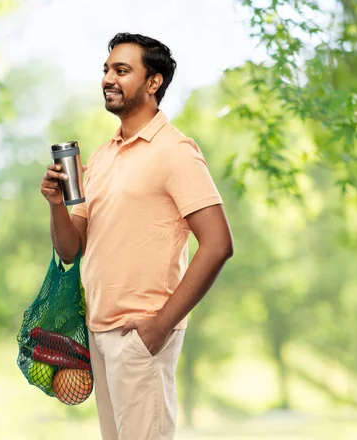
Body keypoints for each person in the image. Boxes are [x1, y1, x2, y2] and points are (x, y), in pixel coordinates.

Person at [40, 32, 234, 440]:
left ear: (153, 82)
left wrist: (161, 326)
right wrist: (57, 204)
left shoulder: (176, 151)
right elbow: (71, 249)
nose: (108, 78)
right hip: (98, 334)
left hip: (141, 337)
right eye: (107, 69)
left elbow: (217, 244)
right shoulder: (102, 155)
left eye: (122, 70)